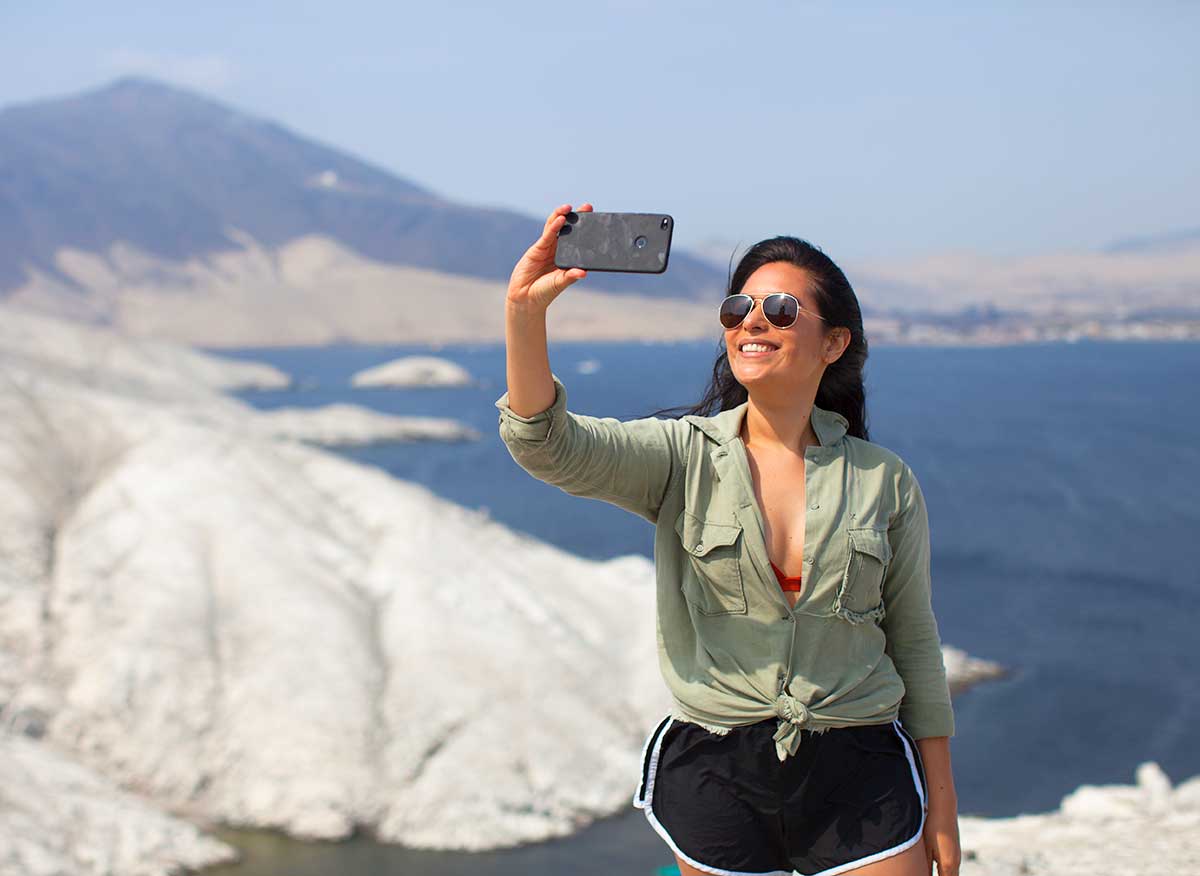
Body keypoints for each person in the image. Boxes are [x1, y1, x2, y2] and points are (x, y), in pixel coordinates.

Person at [495, 203, 962, 876]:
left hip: (861, 774)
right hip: (718, 774)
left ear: (833, 343)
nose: (751, 319)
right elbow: (547, 445)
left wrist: (941, 806)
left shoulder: (883, 480)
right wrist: (523, 312)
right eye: (739, 305)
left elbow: (914, 641)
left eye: (778, 308)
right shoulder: (680, 458)